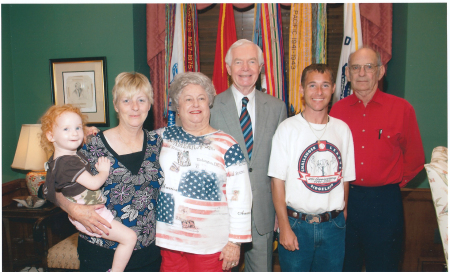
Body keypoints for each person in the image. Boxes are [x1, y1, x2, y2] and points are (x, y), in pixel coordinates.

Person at [54, 72, 164, 271]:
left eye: (141, 99)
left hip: (148, 255)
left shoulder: (157, 142)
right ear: (116, 106)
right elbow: (51, 184)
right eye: (126, 100)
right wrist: (73, 209)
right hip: (101, 254)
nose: (135, 107)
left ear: (150, 104)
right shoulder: (90, 143)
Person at [330, 47, 425, 271]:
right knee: (346, 265)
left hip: (385, 203)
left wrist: (389, 183)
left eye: (369, 67)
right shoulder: (336, 111)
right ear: (349, 74)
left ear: (381, 71)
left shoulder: (402, 109)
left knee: (384, 266)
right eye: (355, 68)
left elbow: (415, 158)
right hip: (345, 201)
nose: (362, 73)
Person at [155, 72, 252, 272]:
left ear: (209, 104)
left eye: (201, 98)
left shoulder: (228, 144)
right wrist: (87, 133)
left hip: (211, 247)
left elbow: (241, 196)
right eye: (188, 99)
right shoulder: (160, 138)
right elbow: (127, 142)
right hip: (170, 243)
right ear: (178, 108)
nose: (195, 104)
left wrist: (235, 242)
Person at [210, 39, 287, 272]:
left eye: (252, 62)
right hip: (222, 215)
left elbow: (282, 165)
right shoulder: (211, 106)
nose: (245, 68)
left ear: (260, 67)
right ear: (228, 68)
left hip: (263, 214)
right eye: (239, 62)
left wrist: (279, 211)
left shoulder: (277, 107)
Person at [268, 64, 355, 271]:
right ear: (301, 90)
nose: (318, 92)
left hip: (333, 226)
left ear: (333, 88)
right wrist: (284, 226)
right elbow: (277, 182)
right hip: (297, 225)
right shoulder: (287, 129)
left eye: (325, 85)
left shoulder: (342, 130)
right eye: (312, 85)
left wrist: (342, 216)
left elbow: (345, 179)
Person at [40, 104, 137, 272]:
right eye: (66, 129)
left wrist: (83, 131)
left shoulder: (58, 159)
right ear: (50, 135)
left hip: (83, 214)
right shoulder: (68, 163)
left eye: (77, 127)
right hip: (94, 216)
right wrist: (104, 171)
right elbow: (94, 183)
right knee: (130, 238)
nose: (74, 133)